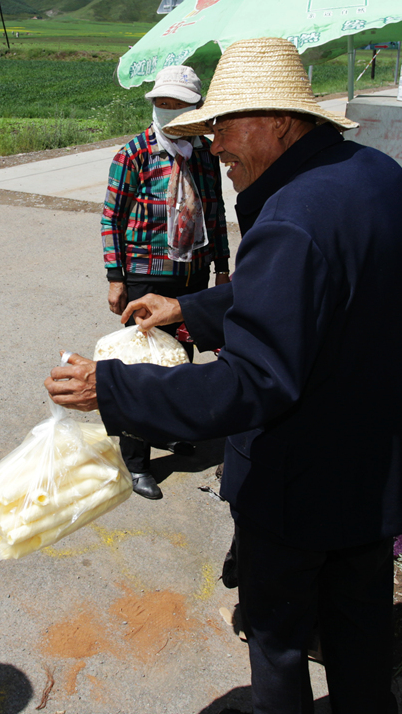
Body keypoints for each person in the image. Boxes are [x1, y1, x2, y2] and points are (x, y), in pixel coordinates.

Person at [49, 38, 402, 714]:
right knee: (360, 631)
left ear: (278, 121)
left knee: (278, 643)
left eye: (222, 126)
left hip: (301, 484)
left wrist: (112, 388)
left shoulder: (291, 216)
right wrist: (189, 308)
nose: (214, 146)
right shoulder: (377, 177)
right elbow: (310, 294)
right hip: (373, 472)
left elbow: (251, 382)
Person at [101, 64, 231, 499]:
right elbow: (111, 219)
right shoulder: (135, 154)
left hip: (192, 277)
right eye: (163, 103)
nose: (170, 110)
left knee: (180, 361)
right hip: (144, 275)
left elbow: (214, 213)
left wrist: (222, 267)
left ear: (196, 108)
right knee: (142, 366)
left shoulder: (207, 153)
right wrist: (115, 277)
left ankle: (171, 428)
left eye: (179, 104)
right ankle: (135, 461)